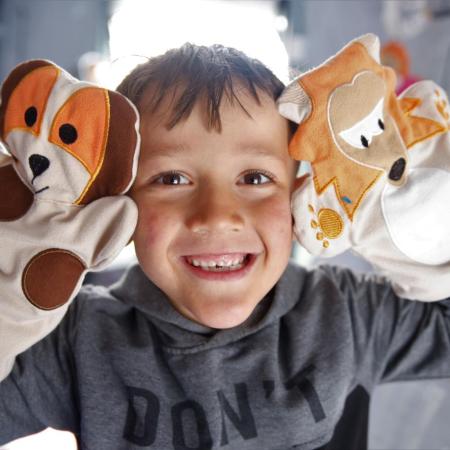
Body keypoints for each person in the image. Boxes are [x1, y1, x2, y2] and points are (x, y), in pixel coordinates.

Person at [0, 43, 450, 450]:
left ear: (301, 194)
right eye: (171, 178)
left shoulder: (349, 312)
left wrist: (419, 224)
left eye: (255, 178)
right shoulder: (74, 340)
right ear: (118, 201)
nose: (216, 214)